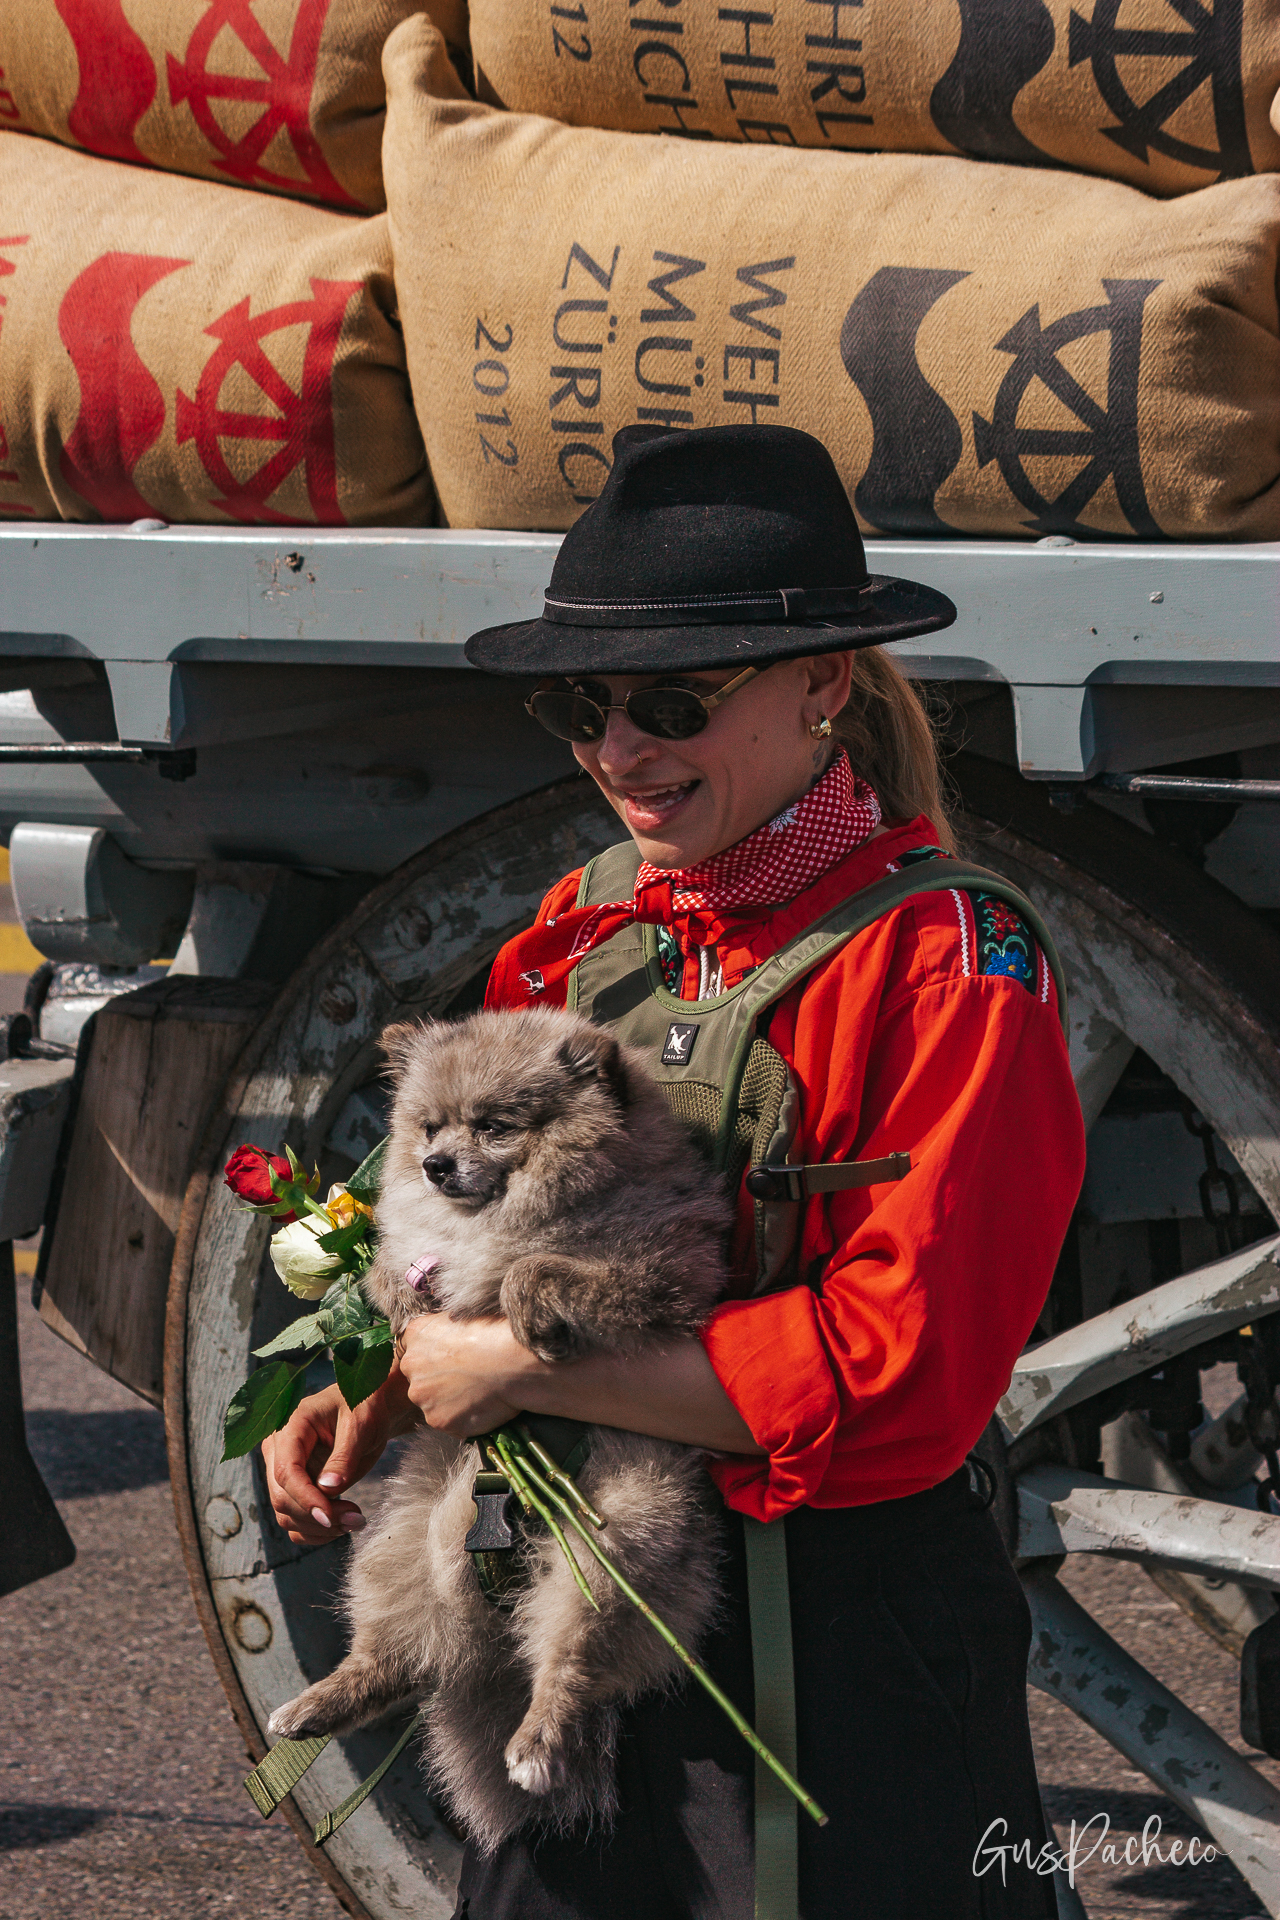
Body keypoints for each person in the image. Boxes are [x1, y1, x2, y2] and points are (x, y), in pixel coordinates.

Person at [262, 425, 1086, 1919]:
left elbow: (899, 1381)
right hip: (561, 1616)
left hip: (842, 1657)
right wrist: (381, 1389)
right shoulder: (582, 927)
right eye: (584, 708)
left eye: (668, 702)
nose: (619, 751)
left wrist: (505, 1366)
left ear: (824, 686)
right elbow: (467, 1227)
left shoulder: (948, 960)